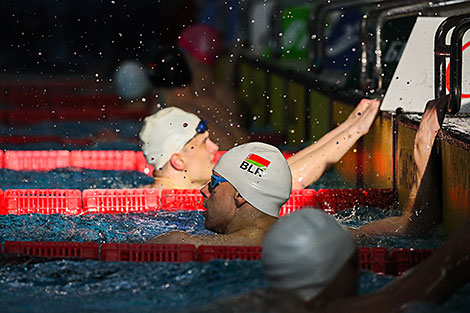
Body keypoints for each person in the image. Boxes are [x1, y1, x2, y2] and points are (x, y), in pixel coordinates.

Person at [193, 208, 469, 313]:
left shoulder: (250, 303)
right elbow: (412, 293)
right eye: (352, 263)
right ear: (326, 271)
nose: (361, 273)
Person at [140, 97, 381, 190]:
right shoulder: (205, 197)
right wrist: (355, 132)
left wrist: (348, 127)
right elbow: (286, 180)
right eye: (204, 143)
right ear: (178, 160)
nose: (215, 148)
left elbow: (277, 168)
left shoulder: (149, 195)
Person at [147, 141, 292, 247]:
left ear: (240, 195)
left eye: (214, 183)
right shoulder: (294, 243)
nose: (203, 190)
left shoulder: (181, 244)